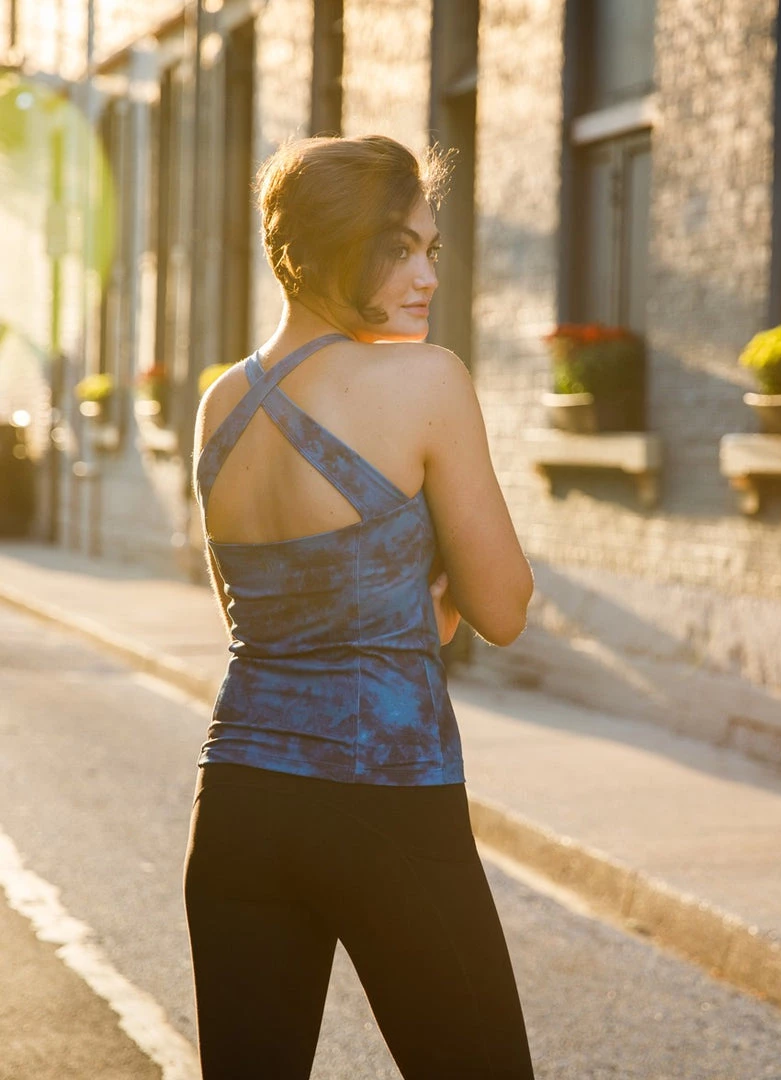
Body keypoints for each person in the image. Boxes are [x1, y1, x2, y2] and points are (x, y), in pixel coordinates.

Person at [183, 134, 536, 1080]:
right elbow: (503, 606)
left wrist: (401, 599)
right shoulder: (423, 382)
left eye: (429, 249)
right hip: (388, 796)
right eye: (397, 249)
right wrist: (436, 595)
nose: (424, 275)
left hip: (239, 804)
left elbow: (258, 619)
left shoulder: (219, 404)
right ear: (331, 250)